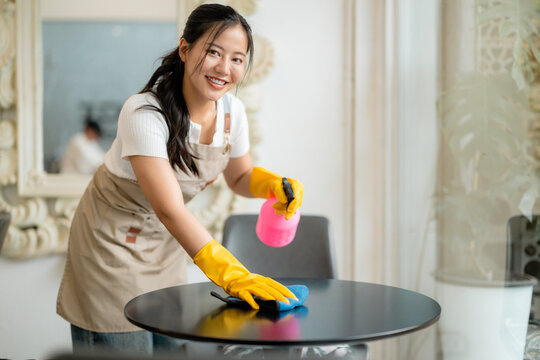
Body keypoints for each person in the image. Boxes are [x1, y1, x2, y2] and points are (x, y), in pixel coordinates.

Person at [56, 3, 304, 355]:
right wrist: (232, 274)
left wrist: (272, 185)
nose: (224, 68)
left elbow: (240, 175)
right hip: (109, 247)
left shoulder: (233, 112)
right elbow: (171, 208)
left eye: (237, 58)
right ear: (186, 49)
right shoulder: (144, 112)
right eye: (214, 52)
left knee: (172, 349)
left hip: (165, 245)